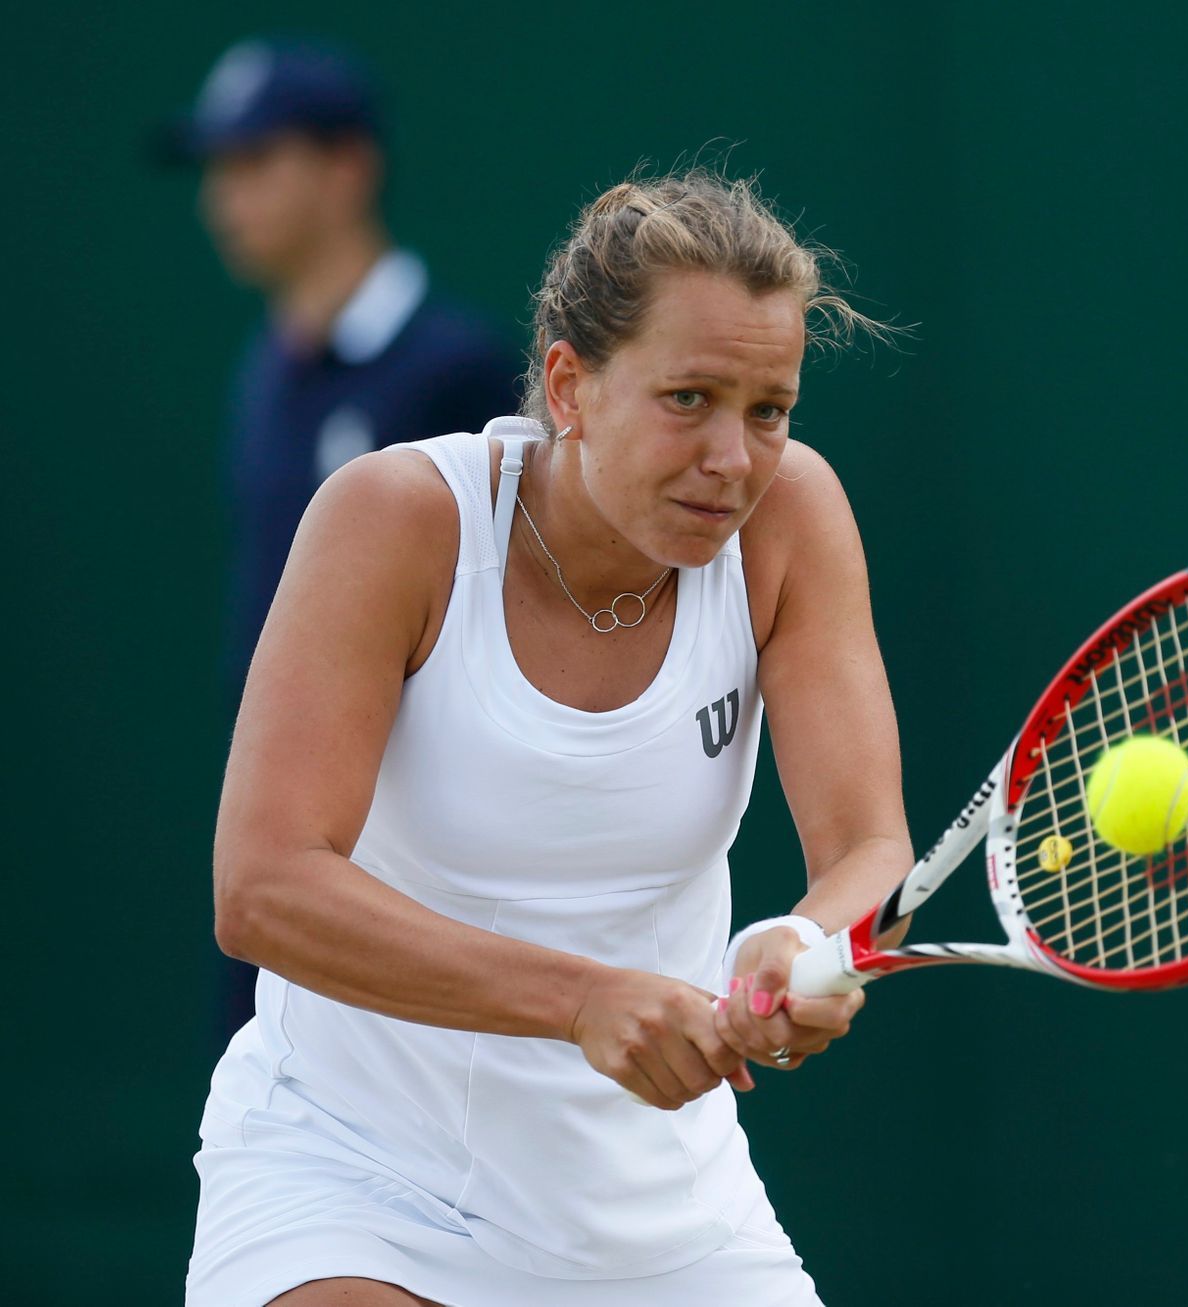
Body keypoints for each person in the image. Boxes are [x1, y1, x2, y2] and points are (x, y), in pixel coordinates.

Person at [187, 168, 910, 1306]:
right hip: (359, 1179)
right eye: (690, 399)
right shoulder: (396, 521)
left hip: (667, 1217)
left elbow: (870, 844)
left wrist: (808, 938)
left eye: (769, 409)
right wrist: (581, 996)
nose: (734, 456)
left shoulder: (792, 519)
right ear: (569, 386)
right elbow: (264, 888)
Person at [163, 37, 524, 1037]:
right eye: (217, 169)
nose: (224, 198)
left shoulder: (456, 368)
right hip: (282, 833)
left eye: (255, 162)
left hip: (419, 859)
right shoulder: (266, 371)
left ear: (348, 167)